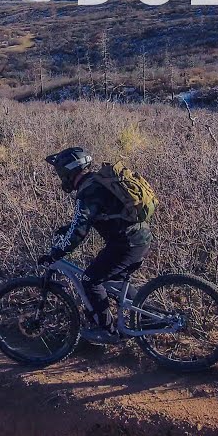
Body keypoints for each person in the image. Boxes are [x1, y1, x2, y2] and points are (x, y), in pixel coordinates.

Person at [40, 147, 154, 345]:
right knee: (113, 283)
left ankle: (108, 332)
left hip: (126, 243)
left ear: (69, 171)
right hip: (138, 238)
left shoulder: (88, 191)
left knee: (90, 280)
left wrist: (57, 253)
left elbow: (80, 230)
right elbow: (97, 215)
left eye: (60, 172)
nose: (60, 177)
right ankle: (149, 317)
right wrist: (68, 228)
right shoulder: (98, 181)